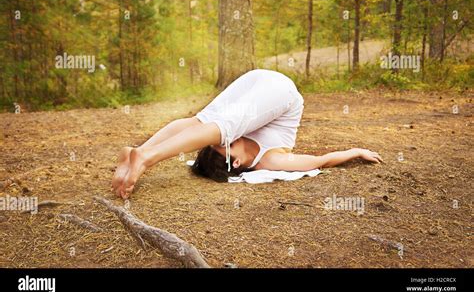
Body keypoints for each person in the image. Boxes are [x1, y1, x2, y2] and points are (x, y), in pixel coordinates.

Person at [111, 69, 382, 199]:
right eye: (225, 146)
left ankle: (143, 152)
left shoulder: (237, 133)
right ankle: (142, 156)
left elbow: (207, 130)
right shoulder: (273, 161)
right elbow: (321, 160)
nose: (226, 141)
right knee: (211, 123)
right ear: (236, 162)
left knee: (203, 122)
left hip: (254, 79)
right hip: (282, 93)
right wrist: (357, 151)